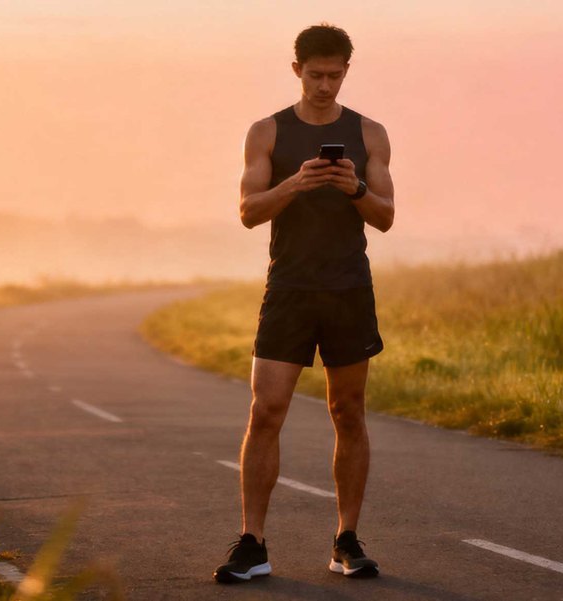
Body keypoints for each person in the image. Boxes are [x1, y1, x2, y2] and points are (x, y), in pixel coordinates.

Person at [213, 22, 395, 584]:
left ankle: (346, 541)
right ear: (297, 71)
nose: (324, 85)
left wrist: (353, 188)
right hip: (288, 289)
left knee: (348, 412)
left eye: (334, 75)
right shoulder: (266, 131)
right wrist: (296, 184)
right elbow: (248, 211)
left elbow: (386, 216)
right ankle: (252, 544)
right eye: (314, 75)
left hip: (348, 289)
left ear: (346, 71)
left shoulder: (370, 132)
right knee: (265, 412)